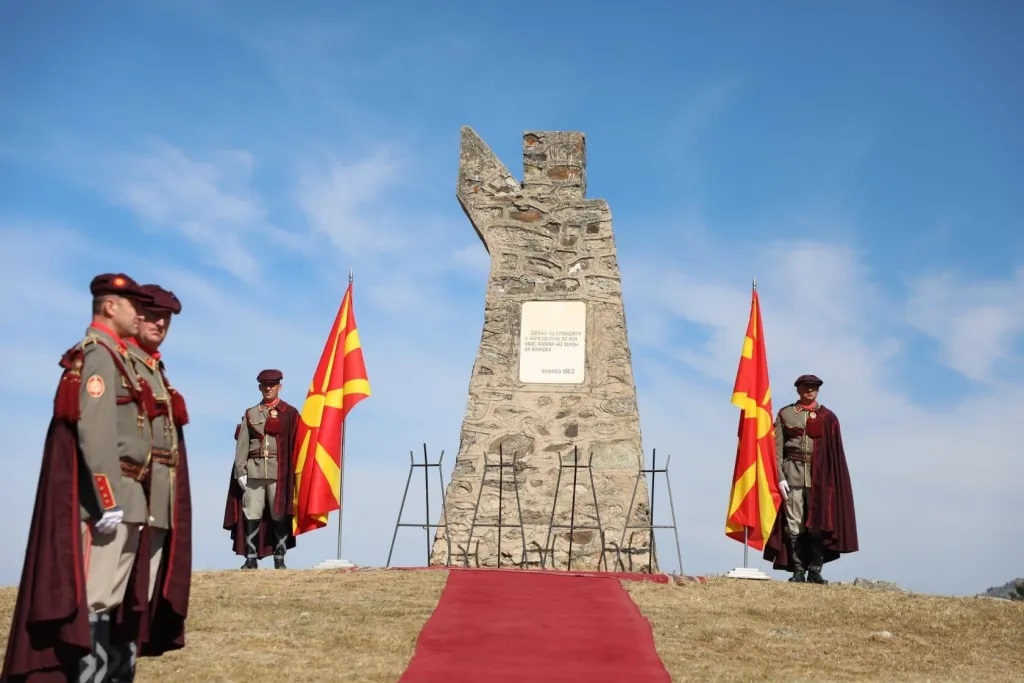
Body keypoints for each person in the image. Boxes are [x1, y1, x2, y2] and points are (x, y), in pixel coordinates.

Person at [3, 273, 156, 682]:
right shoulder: (99, 355)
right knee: (94, 598)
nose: (140, 314)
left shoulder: (118, 357)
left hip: (129, 495)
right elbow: (95, 430)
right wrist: (109, 498)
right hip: (108, 500)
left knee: (109, 600)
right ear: (110, 306)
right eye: (133, 306)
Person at [123, 283, 193, 656]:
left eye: (166, 318)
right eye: (152, 315)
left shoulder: (155, 370)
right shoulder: (119, 363)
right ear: (134, 316)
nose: (160, 323)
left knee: (143, 593)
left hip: (159, 498)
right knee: (111, 594)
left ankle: (122, 665)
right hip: (127, 495)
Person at [763, 374, 859, 584]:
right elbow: (776, 450)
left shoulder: (828, 417)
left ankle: (815, 570)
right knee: (794, 522)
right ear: (798, 389)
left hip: (820, 479)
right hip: (793, 475)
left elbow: (835, 453)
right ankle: (798, 570)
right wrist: (780, 476)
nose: (810, 390)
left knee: (818, 522)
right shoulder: (786, 414)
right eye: (806, 387)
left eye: (814, 387)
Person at [223, 369, 299, 569]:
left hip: (279, 473)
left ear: (279, 387)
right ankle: (251, 558)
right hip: (254, 471)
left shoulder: (290, 413)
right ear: (260, 387)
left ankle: (280, 558)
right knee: (251, 513)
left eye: (272, 385)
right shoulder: (251, 413)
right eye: (265, 385)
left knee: (279, 513)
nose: (268, 388)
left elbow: (297, 444)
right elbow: (242, 444)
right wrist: (241, 471)